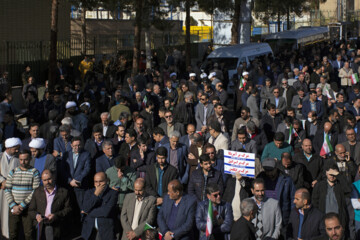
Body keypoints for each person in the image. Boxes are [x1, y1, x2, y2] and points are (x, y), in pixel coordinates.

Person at [5, 150, 40, 240]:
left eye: (25, 160)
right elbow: (7, 189)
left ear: (30, 159)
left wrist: (22, 205)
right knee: (13, 233)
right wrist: (13, 205)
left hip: (28, 208)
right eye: (21, 160)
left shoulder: (34, 172)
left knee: (29, 234)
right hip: (14, 207)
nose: (23, 162)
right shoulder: (12, 172)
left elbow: (35, 191)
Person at [28, 169, 72, 240]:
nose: (47, 182)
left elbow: (68, 209)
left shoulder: (63, 192)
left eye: (49, 179)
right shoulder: (37, 192)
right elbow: (31, 210)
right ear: (42, 180)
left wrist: (56, 215)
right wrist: (37, 216)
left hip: (56, 226)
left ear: (53, 177)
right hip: (41, 226)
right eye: (44, 180)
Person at [258, 158, 296, 225]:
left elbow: (293, 198)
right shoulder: (260, 178)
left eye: (271, 171)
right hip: (264, 215)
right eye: (266, 171)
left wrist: (292, 217)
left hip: (282, 215)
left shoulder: (286, 179)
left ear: (276, 168)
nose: (269, 173)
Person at [81, 172, 118, 240]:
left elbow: (105, 211)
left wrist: (89, 212)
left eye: (101, 181)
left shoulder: (113, 193)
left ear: (106, 180)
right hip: (89, 230)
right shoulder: (89, 193)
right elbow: (85, 208)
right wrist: (95, 195)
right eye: (96, 182)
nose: (98, 184)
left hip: (105, 230)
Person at [312, 164, 350, 229]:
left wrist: (339, 175)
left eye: (334, 175)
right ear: (326, 173)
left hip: (339, 218)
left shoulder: (340, 185)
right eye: (330, 174)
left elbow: (348, 190)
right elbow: (314, 202)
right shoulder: (319, 185)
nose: (332, 176)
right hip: (324, 218)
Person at [0, 138, 21, 238]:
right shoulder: (0, 156)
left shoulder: (18, 158)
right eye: (15, 149)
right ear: (8, 148)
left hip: (14, 192)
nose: (17, 151)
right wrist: (1, 180)